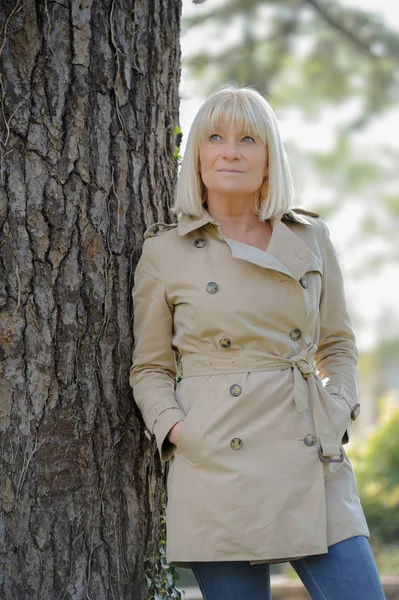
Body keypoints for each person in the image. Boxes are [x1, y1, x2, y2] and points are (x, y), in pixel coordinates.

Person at [130, 85, 385, 600]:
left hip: (311, 456)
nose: (230, 151)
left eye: (248, 139)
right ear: (197, 156)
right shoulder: (165, 252)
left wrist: (336, 409)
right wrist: (182, 431)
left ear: (269, 159)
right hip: (217, 461)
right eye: (215, 137)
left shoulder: (311, 238)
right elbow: (150, 368)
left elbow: (336, 344)